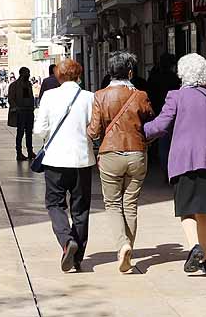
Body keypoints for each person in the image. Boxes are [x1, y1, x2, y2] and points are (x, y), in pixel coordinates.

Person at [144, 53, 206, 276]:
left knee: (187, 210)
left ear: (182, 75)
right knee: (203, 210)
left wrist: (142, 131)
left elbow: (160, 126)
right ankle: (205, 258)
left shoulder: (176, 97)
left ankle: (194, 247)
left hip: (185, 161)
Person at [86, 52, 155, 273]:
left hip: (110, 154)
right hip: (136, 153)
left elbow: (95, 131)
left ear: (109, 72)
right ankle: (129, 249)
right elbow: (151, 122)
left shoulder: (100, 96)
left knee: (113, 204)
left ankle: (122, 245)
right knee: (130, 203)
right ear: (131, 72)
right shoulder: (140, 95)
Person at [34, 59, 96, 273]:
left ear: (58, 76)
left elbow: (40, 130)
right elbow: (94, 129)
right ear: (79, 75)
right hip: (82, 160)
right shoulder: (89, 97)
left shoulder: (50, 96)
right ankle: (77, 257)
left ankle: (66, 240)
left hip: (55, 161)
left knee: (55, 204)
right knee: (81, 208)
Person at [7, 67, 36, 161]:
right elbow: (11, 99)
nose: (28, 75)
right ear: (21, 74)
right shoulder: (14, 85)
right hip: (20, 112)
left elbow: (28, 98)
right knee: (20, 133)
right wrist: (16, 108)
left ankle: (30, 151)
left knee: (29, 133)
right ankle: (19, 153)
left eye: (29, 73)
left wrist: (32, 107)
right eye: (26, 73)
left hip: (29, 111)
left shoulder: (28, 85)